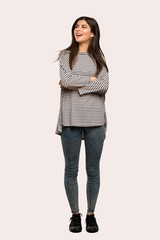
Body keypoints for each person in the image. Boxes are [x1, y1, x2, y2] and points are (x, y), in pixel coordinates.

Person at [55, 16, 109, 233]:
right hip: (70, 120)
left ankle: (91, 215)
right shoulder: (66, 55)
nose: (78, 29)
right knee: (71, 170)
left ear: (92, 33)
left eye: (83, 26)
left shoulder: (99, 56)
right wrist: (90, 80)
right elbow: (65, 80)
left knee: (93, 170)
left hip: (96, 120)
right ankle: (75, 215)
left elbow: (105, 85)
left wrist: (75, 84)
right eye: (76, 26)